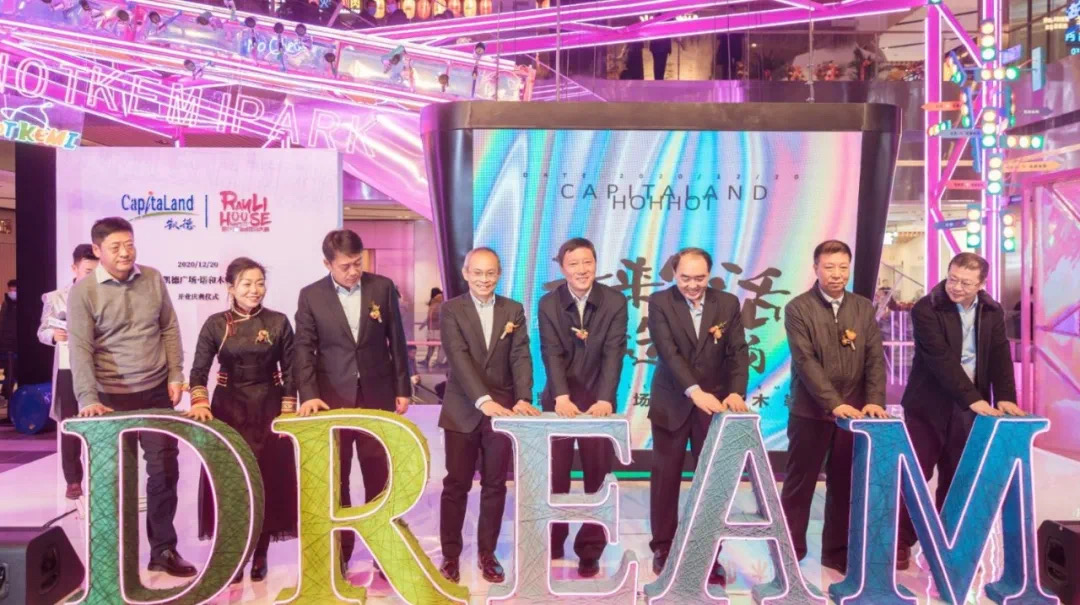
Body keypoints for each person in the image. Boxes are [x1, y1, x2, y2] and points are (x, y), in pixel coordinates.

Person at [68, 217, 195, 577]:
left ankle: (163, 550)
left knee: (164, 471)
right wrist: (87, 397)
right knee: (114, 478)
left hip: (155, 391)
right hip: (109, 397)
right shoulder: (84, 292)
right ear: (97, 250)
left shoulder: (152, 278)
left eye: (130, 244)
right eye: (115, 247)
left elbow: (168, 327)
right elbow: (80, 348)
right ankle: (114, 556)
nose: (125, 252)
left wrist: (175, 374)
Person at [294, 229, 411, 575]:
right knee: (337, 475)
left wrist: (402, 388)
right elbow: (304, 349)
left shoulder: (382, 287)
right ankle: (341, 551)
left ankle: (383, 550)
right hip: (332, 398)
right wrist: (309, 394)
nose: (353, 271)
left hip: (377, 393)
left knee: (378, 472)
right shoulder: (311, 296)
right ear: (327, 263)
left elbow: (396, 341)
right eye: (345, 266)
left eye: (358, 263)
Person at [897, 252, 1023, 568]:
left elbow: (1000, 355)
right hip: (927, 406)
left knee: (959, 477)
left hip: (968, 408)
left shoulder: (991, 311)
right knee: (915, 476)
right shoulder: (927, 308)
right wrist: (973, 399)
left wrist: (1005, 396)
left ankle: (949, 546)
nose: (956, 287)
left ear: (981, 284)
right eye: (952, 278)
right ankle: (899, 542)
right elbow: (940, 360)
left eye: (965, 283)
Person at [185, 257, 298, 584]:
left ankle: (261, 552)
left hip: (269, 409)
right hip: (228, 410)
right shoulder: (216, 324)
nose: (255, 290)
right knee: (231, 482)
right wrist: (200, 402)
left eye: (260, 283)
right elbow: (198, 370)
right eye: (247, 284)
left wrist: (288, 409)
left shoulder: (278, 322)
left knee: (266, 480)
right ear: (231, 288)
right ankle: (234, 552)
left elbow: (291, 370)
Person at [779, 239, 887, 575]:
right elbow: (806, 362)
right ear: (816, 269)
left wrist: (874, 401)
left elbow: (874, 358)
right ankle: (789, 550)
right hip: (810, 412)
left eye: (843, 267)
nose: (837, 274)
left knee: (844, 484)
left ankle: (836, 551)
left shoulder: (863, 307)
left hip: (854, 415)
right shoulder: (798, 308)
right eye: (829, 267)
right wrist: (834, 404)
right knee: (800, 484)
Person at [647, 247, 749, 584]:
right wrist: (694, 391)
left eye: (700, 278)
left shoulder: (727, 303)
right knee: (665, 480)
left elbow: (738, 351)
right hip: (672, 401)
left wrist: (735, 391)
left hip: (715, 405)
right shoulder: (660, 303)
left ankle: (708, 553)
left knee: (712, 482)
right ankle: (664, 548)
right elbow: (669, 353)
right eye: (685, 278)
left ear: (710, 275)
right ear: (674, 274)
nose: (692, 285)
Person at [437, 248, 536, 585]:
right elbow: (459, 357)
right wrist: (483, 400)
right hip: (463, 409)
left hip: (503, 411)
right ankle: (450, 556)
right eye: (477, 272)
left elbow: (520, 356)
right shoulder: (451, 309)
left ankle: (487, 554)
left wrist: (522, 398)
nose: (484, 279)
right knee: (456, 485)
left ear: (499, 274)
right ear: (466, 273)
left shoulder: (513, 309)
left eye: (490, 273)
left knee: (495, 485)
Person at [538, 237, 628, 578]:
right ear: (563, 268)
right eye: (573, 264)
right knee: (555, 475)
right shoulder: (549, 303)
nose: (581, 269)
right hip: (559, 401)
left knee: (597, 476)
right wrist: (560, 396)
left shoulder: (615, 301)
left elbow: (614, 351)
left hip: (598, 403)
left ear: (595, 264)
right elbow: (550, 351)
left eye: (587, 262)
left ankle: (590, 549)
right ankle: (553, 540)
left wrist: (605, 398)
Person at [38, 244, 98, 499]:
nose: (92, 276)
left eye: (97, 271)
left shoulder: (107, 293)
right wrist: (53, 335)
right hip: (68, 368)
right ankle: (73, 480)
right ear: (74, 268)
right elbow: (42, 331)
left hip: (99, 368)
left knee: (99, 424)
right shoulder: (55, 297)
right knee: (70, 424)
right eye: (88, 271)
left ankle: (101, 477)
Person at [0, 279, 16, 404]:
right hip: (6, 345)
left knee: (14, 373)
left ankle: (11, 397)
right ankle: (6, 396)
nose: (12, 293)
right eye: (11, 290)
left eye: (15, 290)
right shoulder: (5, 305)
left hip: (16, 345)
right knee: (7, 373)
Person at [423, 287, 445, 368]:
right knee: (436, 346)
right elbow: (431, 316)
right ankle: (436, 361)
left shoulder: (436, 303)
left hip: (435, 328)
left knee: (435, 346)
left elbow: (432, 316)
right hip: (436, 328)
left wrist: (424, 324)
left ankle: (436, 361)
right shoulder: (437, 302)